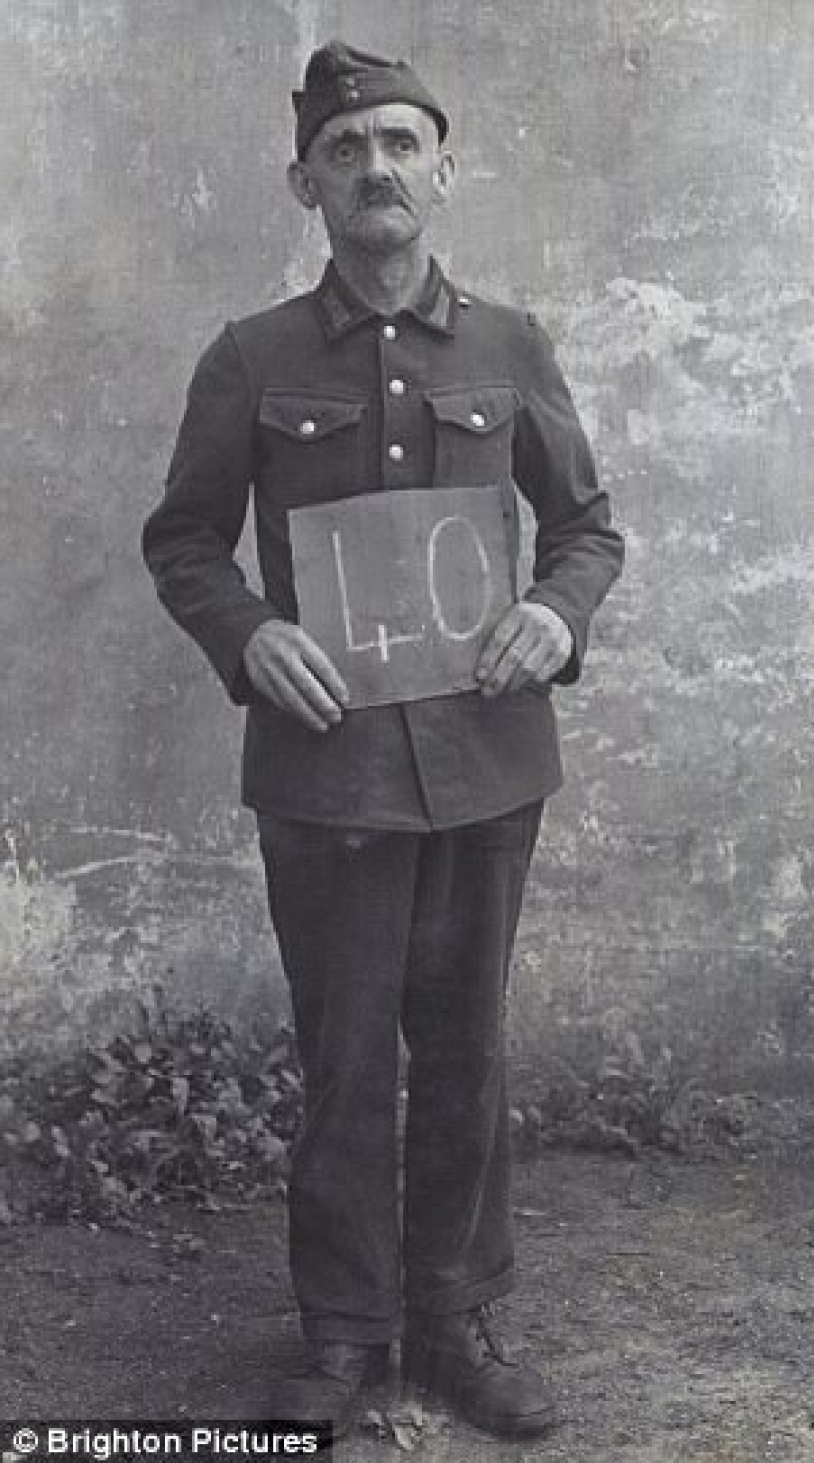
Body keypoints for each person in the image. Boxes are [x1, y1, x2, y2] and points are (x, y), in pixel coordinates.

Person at [142, 40, 624, 1441]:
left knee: (464, 1048)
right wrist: (249, 635)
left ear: (443, 171)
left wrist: (553, 614)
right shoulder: (252, 358)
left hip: (487, 761)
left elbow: (586, 529)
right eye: (346, 149)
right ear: (306, 183)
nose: (376, 168)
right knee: (345, 1056)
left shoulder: (510, 347)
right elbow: (184, 540)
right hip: (327, 766)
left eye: (402, 143)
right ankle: (345, 1333)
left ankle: (456, 1323)